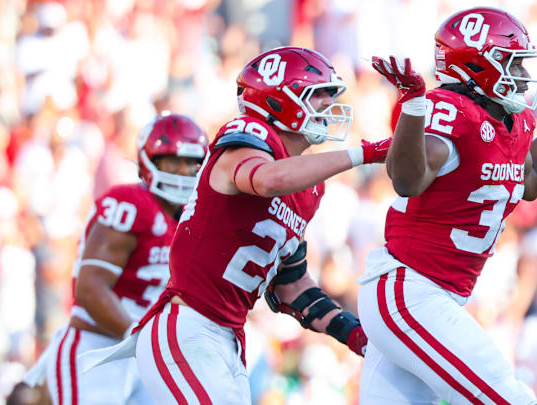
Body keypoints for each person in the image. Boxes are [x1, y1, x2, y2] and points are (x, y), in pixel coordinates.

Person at [90, 46, 388, 405]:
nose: (328, 104)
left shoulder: (309, 186)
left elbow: (292, 289)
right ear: (279, 101)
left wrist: (360, 338)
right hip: (188, 325)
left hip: (229, 339)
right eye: (316, 94)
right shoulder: (247, 134)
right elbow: (266, 180)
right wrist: (363, 155)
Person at [359, 7, 537, 405]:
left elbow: (529, 182)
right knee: (505, 395)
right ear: (479, 67)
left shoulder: (517, 120)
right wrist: (412, 103)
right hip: (410, 289)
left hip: (435, 294)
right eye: (512, 64)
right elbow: (409, 180)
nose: (523, 77)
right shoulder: (449, 110)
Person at [23, 112, 209, 404]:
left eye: (191, 163)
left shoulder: (191, 220)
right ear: (150, 161)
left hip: (143, 359)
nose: (183, 172)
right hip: (97, 350)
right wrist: (140, 338)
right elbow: (90, 288)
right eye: (173, 161)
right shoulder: (130, 205)